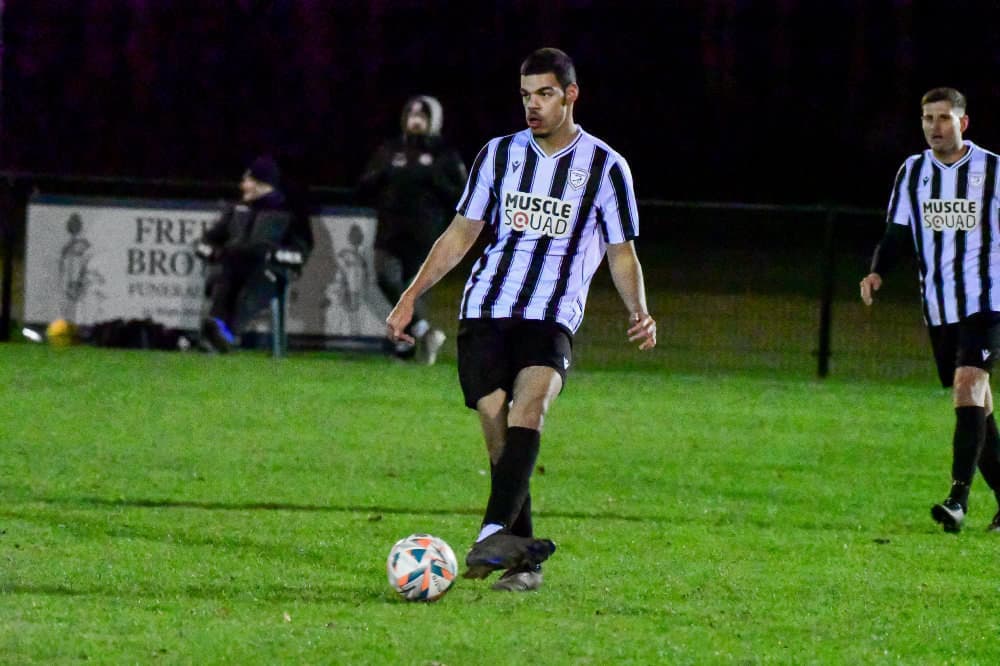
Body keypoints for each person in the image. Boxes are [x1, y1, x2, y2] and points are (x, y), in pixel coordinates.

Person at [386, 48, 657, 590]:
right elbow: (461, 233)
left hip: (551, 314)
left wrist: (639, 309)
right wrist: (412, 294)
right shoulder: (499, 154)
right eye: (526, 95)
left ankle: (492, 532)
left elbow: (621, 251)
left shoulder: (606, 166)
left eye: (545, 94)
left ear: (571, 95)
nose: (533, 106)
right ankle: (523, 562)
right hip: (486, 306)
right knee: (499, 436)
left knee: (530, 407)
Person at [861, 87, 1000, 533]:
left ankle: (958, 499)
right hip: (940, 306)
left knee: (967, 386)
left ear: (963, 123)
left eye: (943, 118)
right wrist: (877, 272)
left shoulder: (993, 169)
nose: (934, 127)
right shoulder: (913, 171)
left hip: (986, 301)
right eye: (927, 118)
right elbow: (897, 232)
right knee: (978, 406)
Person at [359, 95, 467, 364]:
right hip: (389, 231)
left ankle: (405, 348)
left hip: (425, 235)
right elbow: (364, 186)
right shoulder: (390, 150)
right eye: (411, 115)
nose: (416, 121)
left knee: (412, 290)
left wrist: (435, 180)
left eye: (422, 116)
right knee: (385, 277)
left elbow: (462, 196)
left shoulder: (445, 155)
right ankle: (423, 331)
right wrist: (378, 177)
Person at [196, 155, 314, 352]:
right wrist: (215, 254)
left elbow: (300, 254)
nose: (242, 186)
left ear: (262, 184)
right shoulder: (236, 209)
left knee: (253, 286)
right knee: (224, 278)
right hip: (232, 267)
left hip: (268, 271)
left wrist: (270, 255)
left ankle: (223, 334)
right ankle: (218, 331)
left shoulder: (290, 213)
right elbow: (203, 243)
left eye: (247, 180)